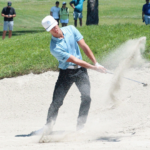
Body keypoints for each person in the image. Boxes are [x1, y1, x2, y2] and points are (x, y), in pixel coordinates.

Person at [29, 16, 106, 136]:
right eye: (51, 28)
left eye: (54, 26)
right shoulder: (54, 48)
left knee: (87, 97)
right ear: (48, 31)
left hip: (81, 71)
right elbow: (75, 60)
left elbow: (84, 46)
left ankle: (81, 126)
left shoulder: (71, 29)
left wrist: (96, 63)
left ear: (57, 23)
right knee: (57, 101)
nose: (54, 29)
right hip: (66, 73)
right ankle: (48, 127)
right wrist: (94, 68)